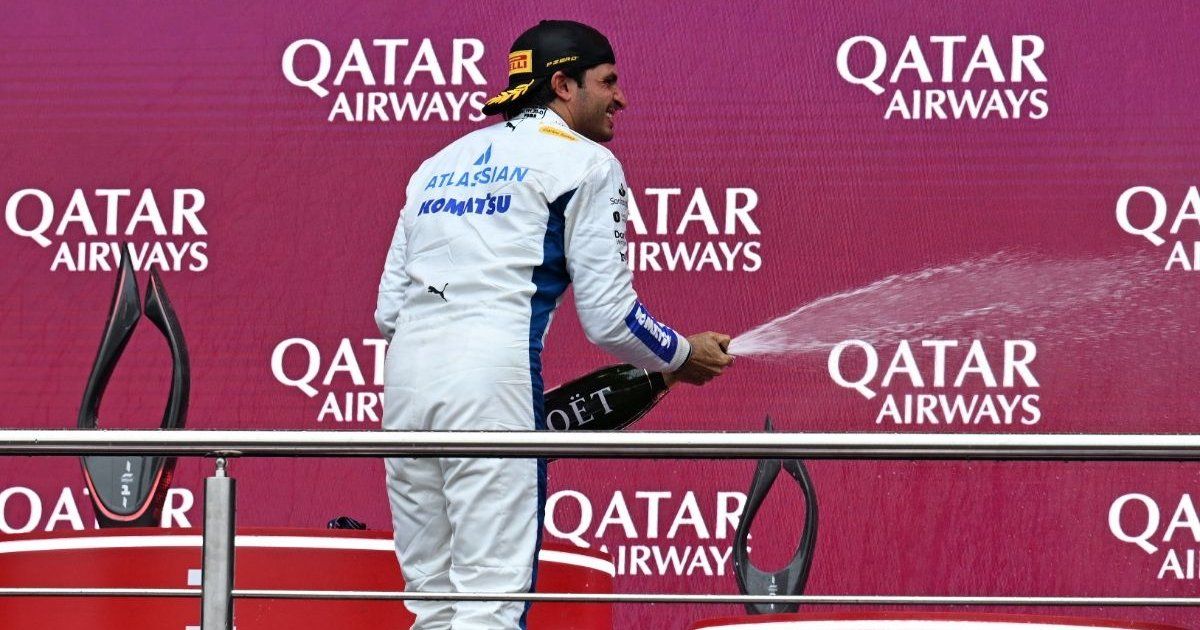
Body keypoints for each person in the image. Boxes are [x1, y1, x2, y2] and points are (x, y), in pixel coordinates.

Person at [375, 19, 733, 629]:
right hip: (491, 382)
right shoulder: (586, 163)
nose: (621, 98)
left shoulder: (437, 163)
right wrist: (681, 356)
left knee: (432, 603)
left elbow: (388, 312)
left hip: (406, 383)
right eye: (609, 81)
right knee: (489, 603)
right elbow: (610, 318)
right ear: (563, 84)